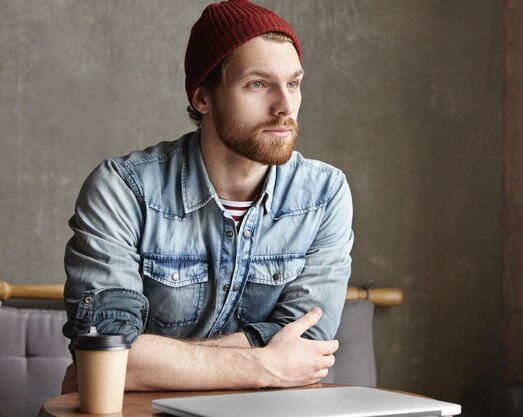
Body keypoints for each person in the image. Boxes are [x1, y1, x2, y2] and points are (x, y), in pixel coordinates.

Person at [61, 0, 353, 393]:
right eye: (258, 84)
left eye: (294, 83)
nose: (285, 106)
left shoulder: (324, 194)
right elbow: (108, 353)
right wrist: (266, 364)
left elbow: (307, 346)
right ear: (203, 97)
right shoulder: (122, 189)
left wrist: (144, 362)